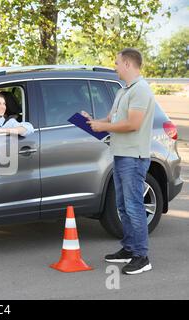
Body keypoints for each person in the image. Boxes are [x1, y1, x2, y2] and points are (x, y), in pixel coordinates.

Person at [84, 48, 156, 275]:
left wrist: (104, 126)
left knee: (134, 207)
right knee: (123, 206)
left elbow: (133, 124)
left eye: (116, 63)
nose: (114, 66)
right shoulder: (123, 91)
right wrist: (92, 122)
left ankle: (142, 257)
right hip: (120, 154)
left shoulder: (141, 90)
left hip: (133, 157)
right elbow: (111, 119)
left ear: (127, 64)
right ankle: (129, 249)